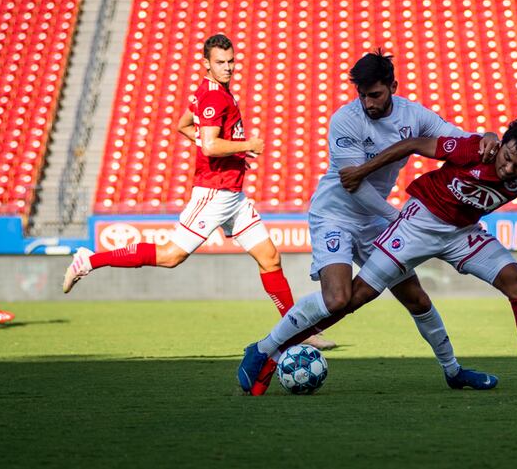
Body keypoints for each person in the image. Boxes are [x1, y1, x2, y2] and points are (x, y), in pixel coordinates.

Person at [241, 114, 517, 394]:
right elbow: (414, 144)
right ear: (504, 143)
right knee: (353, 298)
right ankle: (269, 347)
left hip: (463, 233)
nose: (508, 166)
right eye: (507, 156)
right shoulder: (473, 150)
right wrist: (362, 170)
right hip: (417, 224)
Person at [239, 49, 501, 394]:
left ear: (392, 86)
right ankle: (262, 349)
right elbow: (354, 185)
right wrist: (398, 217)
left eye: (375, 95)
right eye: (361, 95)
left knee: (417, 299)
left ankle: (453, 371)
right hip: (335, 215)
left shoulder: (413, 115)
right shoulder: (345, 120)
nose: (368, 103)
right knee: (336, 299)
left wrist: (488, 137)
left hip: (375, 221)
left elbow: (456, 139)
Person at [61, 34, 332, 350]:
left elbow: (183, 125)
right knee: (171, 255)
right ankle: (90, 260)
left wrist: (223, 149)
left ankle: (297, 332)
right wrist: (248, 145)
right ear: (207, 64)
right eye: (221, 62)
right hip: (213, 194)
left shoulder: (210, 92)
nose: (228, 67)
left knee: (270, 257)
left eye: (231, 61)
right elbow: (209, 144)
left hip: (233, 196)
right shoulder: (215, 98)